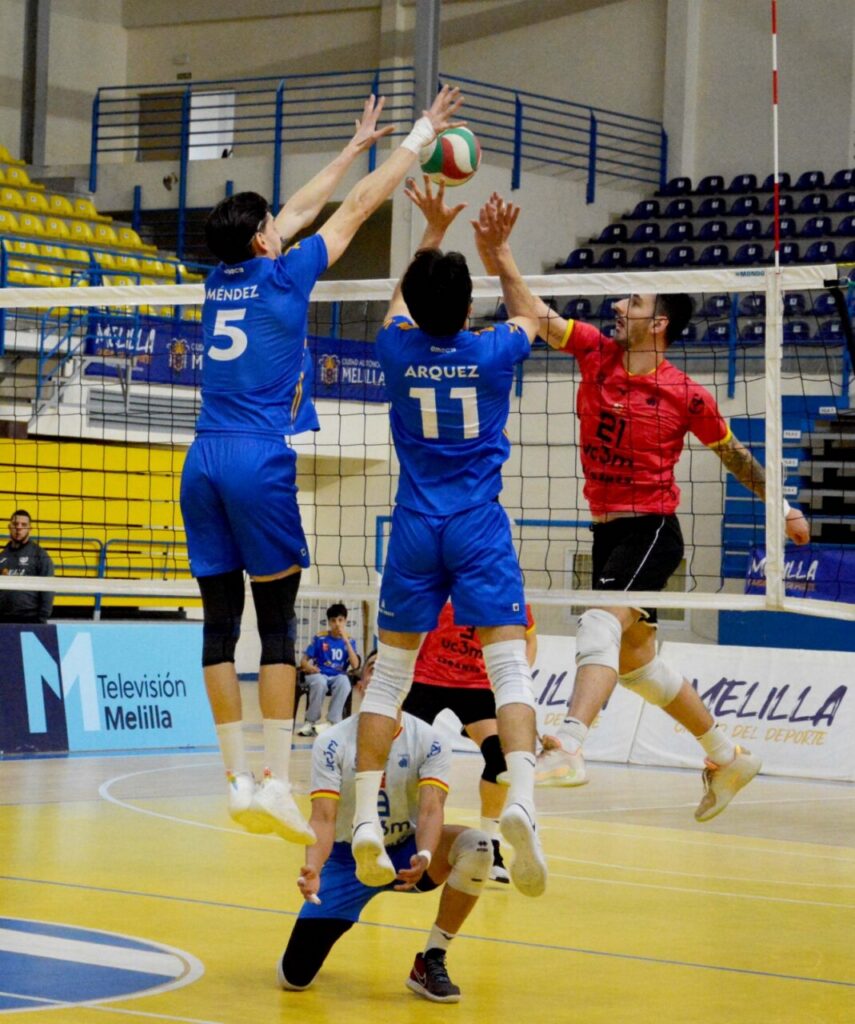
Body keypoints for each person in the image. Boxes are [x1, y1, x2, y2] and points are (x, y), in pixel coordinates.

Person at [178, 87, 464, 845]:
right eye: (272, 226)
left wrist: (351, 146)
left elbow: (301, 210)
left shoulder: (219, 280)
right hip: (255, 458)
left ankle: (236, 780)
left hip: (201, 459)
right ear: (264, 243)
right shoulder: (285, 276)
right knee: (276, 622)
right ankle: (276, 781)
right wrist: (417, 137)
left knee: (218, 624)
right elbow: (356, 209)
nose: (284, 225)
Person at [477, 199, 811, 820]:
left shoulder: (686, 393)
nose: (618, 307)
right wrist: (500, 254)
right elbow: (535, 314)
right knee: (636, 666)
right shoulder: (595, 353)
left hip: (653, 528)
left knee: (599, 626)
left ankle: (570, 745)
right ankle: (726, 754)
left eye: (632, 302)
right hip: (606, 530)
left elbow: (735, 457)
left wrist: (784, 507)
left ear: (658, 323)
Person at [351, 179, 548, 898]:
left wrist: (432, 231)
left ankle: (366, 818)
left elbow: (399, 305)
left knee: (389, 680)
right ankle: (521, 800)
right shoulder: (494, 352)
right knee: (510, 674)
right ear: (468, 310)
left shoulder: (396, 350)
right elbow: (532, 315)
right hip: (476, 524)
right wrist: (499, 252)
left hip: (413, 522)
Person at [278, 709, 492, 1004]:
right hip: (348, 860)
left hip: (404, 851)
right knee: (293, 978)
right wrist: (313, 866)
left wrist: (426, 854)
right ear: (361, 687)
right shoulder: (331, 742)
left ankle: (432, 958)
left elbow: (431, 809)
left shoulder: (429, 740)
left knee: (478, 846)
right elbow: (324, 817)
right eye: (370, 681)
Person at [402, 600, 537, 884]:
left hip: (477, 685)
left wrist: (514, 682)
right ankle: (393, 829)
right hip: (427, 679)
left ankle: (490, 843)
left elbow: (529, 639)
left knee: (499, 758)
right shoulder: (442, 586)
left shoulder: (506, 594)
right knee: (401, 754)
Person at [298, 602, 360, 736]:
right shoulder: (320, 638)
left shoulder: (350, 641)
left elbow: (355, 665)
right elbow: (303, 661)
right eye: (333, 620)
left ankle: (332, 722)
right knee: (320, 682)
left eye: (340, 620)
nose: (337, 624)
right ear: (329, 622)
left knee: (344, 682)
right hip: (319, 674)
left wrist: (346, 642)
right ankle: (310, 721)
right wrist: (309, 667)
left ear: (345, 621)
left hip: (338, 675)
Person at [0, 510, 55, 624]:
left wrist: (41, 619)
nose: (19, 528)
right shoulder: (3, 556)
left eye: (23, 525)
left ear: (30, 529)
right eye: (15, 524)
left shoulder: (40, 555)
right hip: (3, 619)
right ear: (9, 527)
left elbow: (48, 590)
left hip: (30, 619)